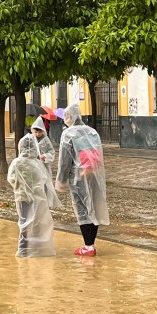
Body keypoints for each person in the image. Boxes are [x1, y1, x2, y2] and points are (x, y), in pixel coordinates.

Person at [55, 101, 110, 257]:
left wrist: (61, 181)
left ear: (69, 117)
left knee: (82, 210)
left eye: (66, 116)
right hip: (95, 176)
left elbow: (64, 161)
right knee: (95, 206)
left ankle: (88, 246)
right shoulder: (93, 132)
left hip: (78, 177)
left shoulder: (68, 134)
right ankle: (91, 244)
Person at [7, 133, 61, 257]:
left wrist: (20, 185)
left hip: (22, 197)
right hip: (37, 197)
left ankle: (23, 249)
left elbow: (11, 178)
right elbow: (44, 178)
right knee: (37, 221)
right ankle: (37, 247)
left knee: (24, 221)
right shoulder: (37, 163)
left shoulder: (17, 162)